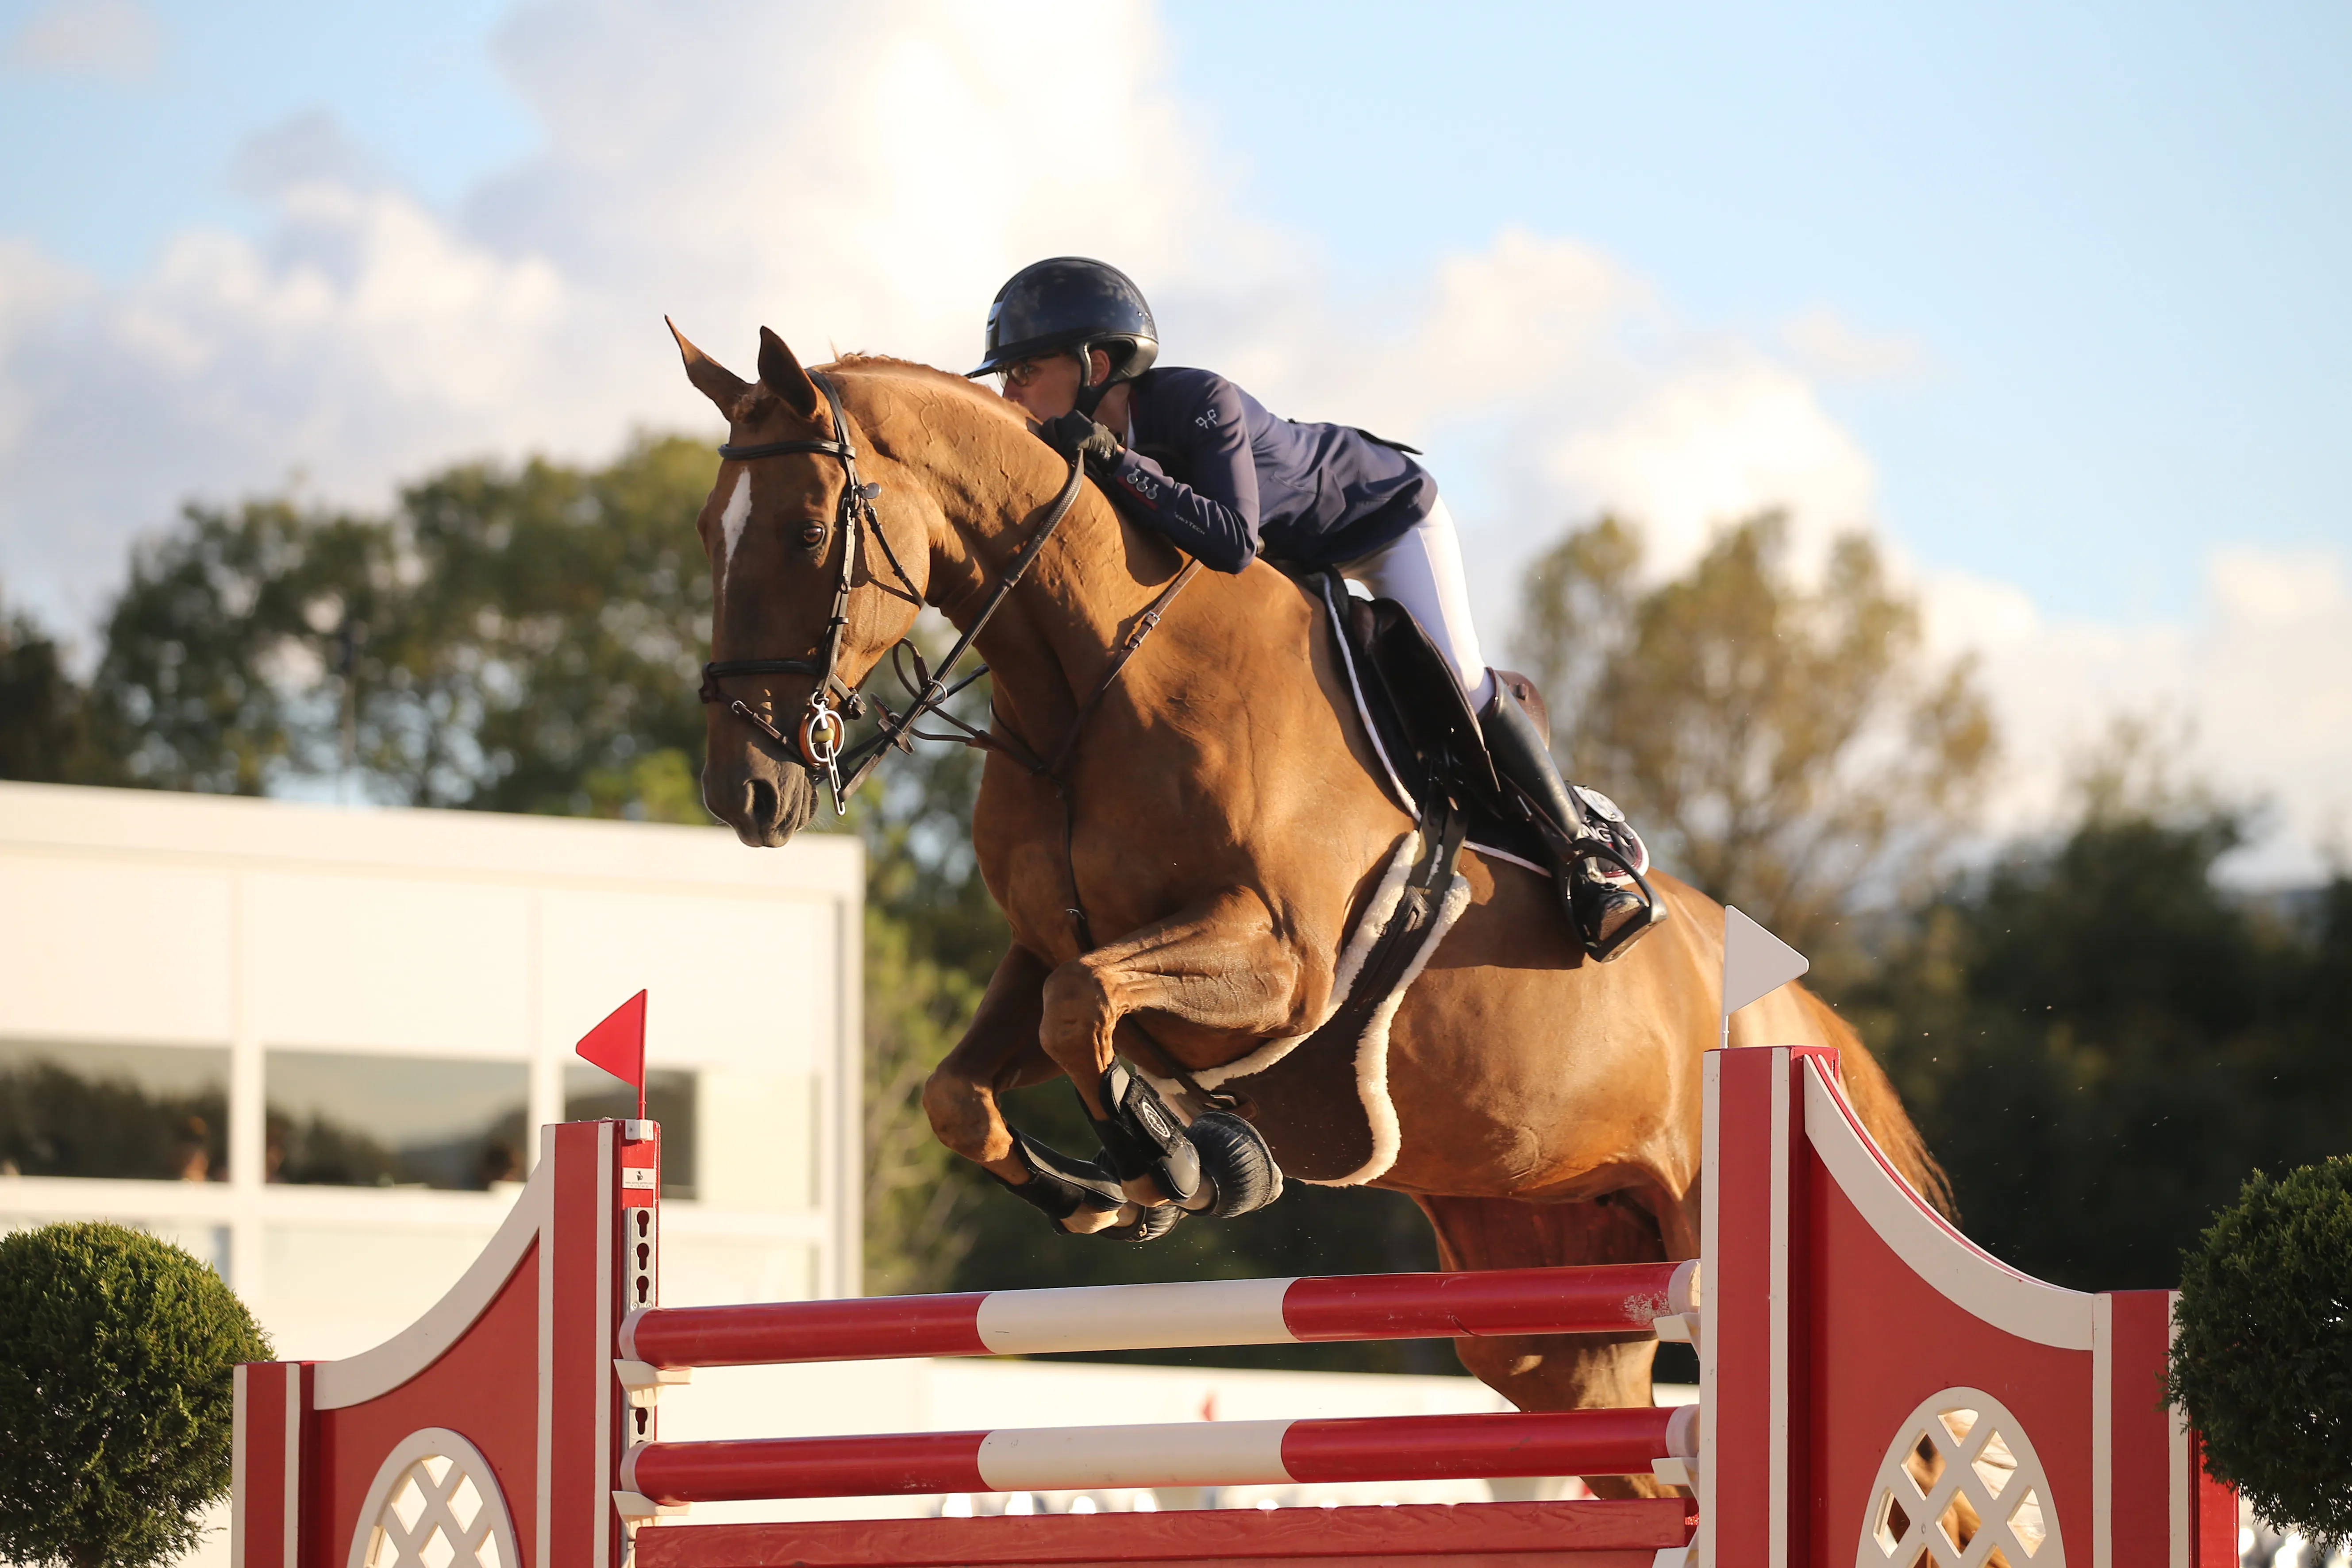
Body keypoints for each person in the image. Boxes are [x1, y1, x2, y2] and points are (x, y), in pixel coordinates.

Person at [970, 257, 1658, 961]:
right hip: (1299, 567)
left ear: (1096, 363)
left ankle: (1585, 850)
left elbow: (1234, 543)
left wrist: (1117, 464)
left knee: (1457, 677)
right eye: (1006, 374)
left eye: (1024, 370)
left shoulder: (1202, 401)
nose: (1008, 390)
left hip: (1385, 521)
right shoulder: (1082, 451)